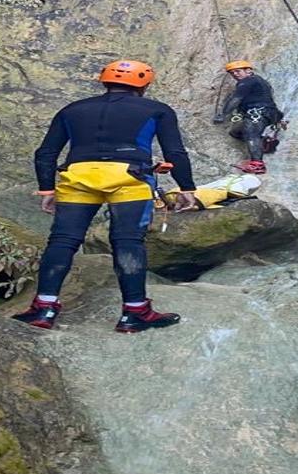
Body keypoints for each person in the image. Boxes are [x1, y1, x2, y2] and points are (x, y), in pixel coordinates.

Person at [12, 59, 197, 334]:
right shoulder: (157, 110)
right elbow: (176, 153)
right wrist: (186, 188)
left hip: (78, 177)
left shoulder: (72, 109)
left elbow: (45, 153)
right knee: (128, 242)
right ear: (144, 85)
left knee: (62, 241)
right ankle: (134, 313)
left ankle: (43, 308)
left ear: (104, 80)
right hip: (129, 177)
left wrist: (47, 189)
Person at [213, 60, 284, 174]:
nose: (235, 74)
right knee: (236, 132)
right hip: (269, 113)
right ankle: (263, 143)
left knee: (251, 134)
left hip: (258, 112)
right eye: (232, 73)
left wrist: (223, 115)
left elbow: (236, 99)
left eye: (238, 71)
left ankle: (257, 164)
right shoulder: (259, 81)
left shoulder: (248, 81)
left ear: (249, 71)